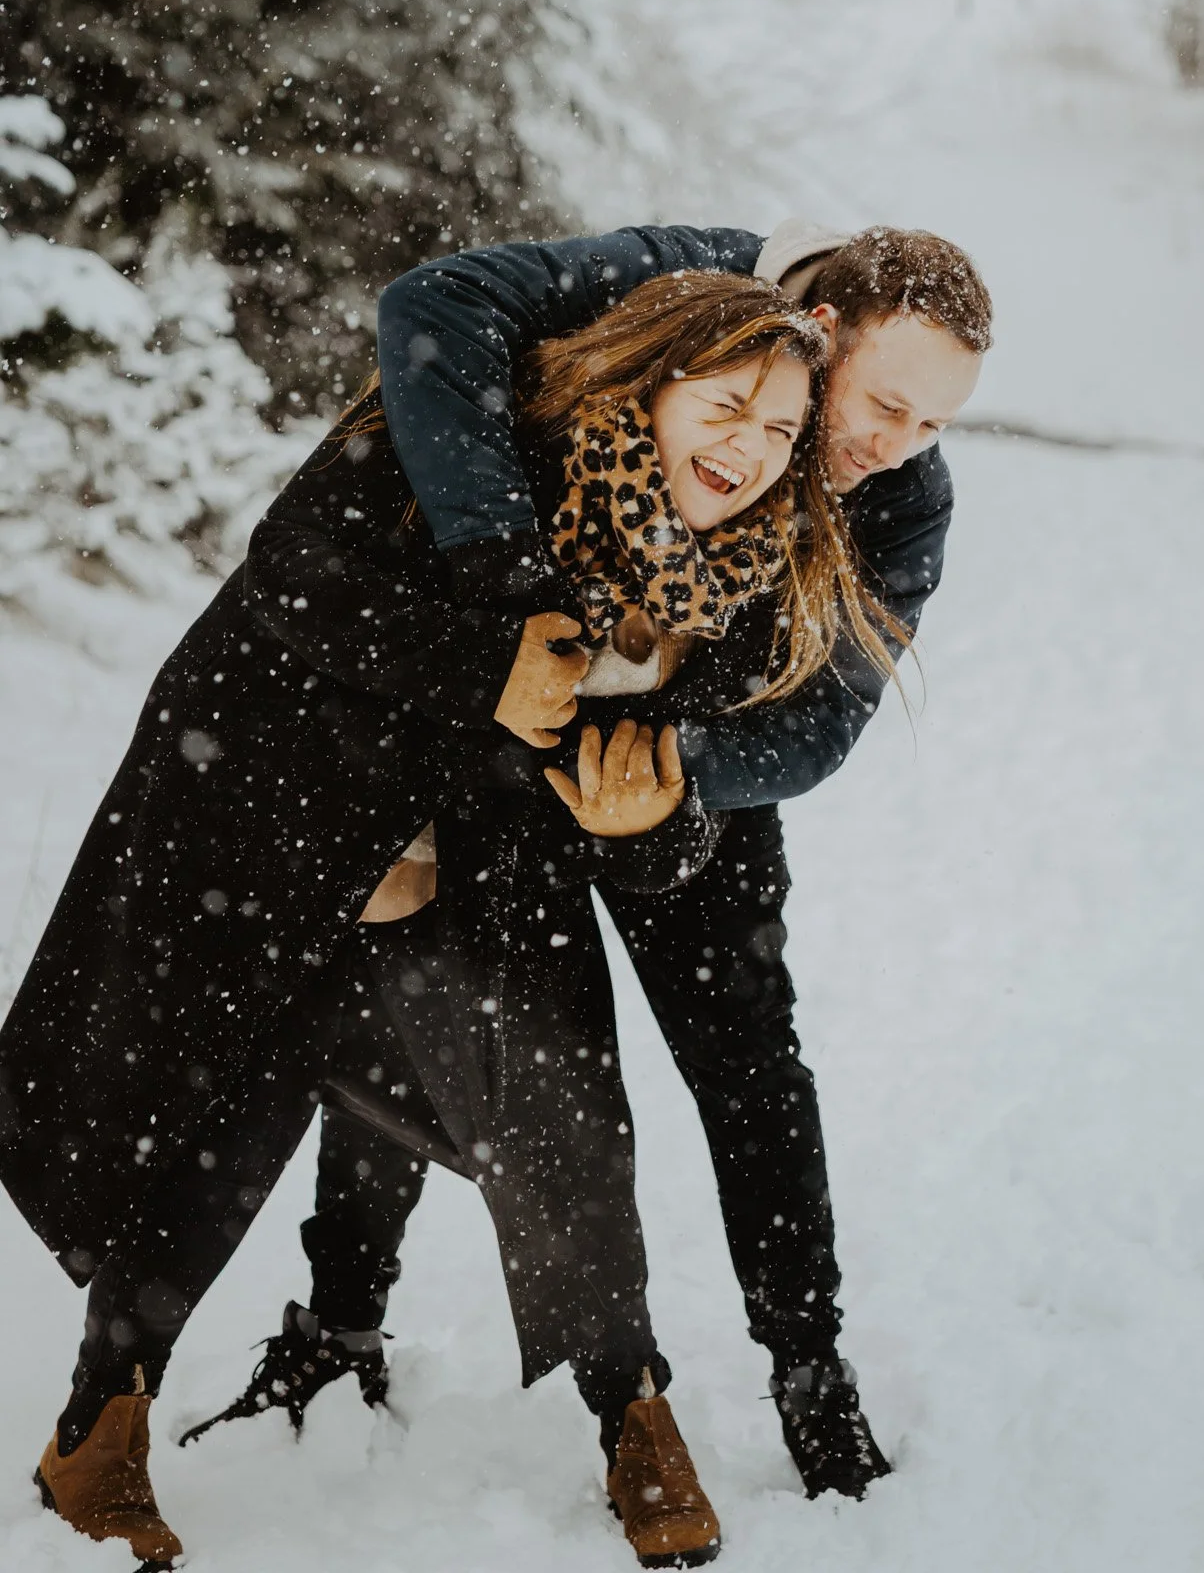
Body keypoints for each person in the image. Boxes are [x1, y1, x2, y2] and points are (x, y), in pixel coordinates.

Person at [2, 271, 904, 1570]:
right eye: (727, 405)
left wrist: (649, 820)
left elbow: (683, 842)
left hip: (478, 869)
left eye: (779, 433)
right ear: (652, 378)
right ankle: (102, 1425)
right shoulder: (459, 450)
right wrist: (495, 671)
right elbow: (296, 581)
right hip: (283, 820)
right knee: (221, 1110)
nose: (749, 452)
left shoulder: (721, 581)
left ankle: (629, 1412)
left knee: (556, 1114)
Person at [199, 220, 993, 1505]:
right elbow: (432, 308)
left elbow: (824, 722)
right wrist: (506, 591)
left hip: (686, 780)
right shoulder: (678, 289)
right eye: (889, 404)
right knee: (414, 1007)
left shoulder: (903, 495)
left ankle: (811, 1371)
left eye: (934, 423)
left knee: (748, 1060)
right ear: (825, 334)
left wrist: (662, 769)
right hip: (507, 710)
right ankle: (339, 1326)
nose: (896, 444)